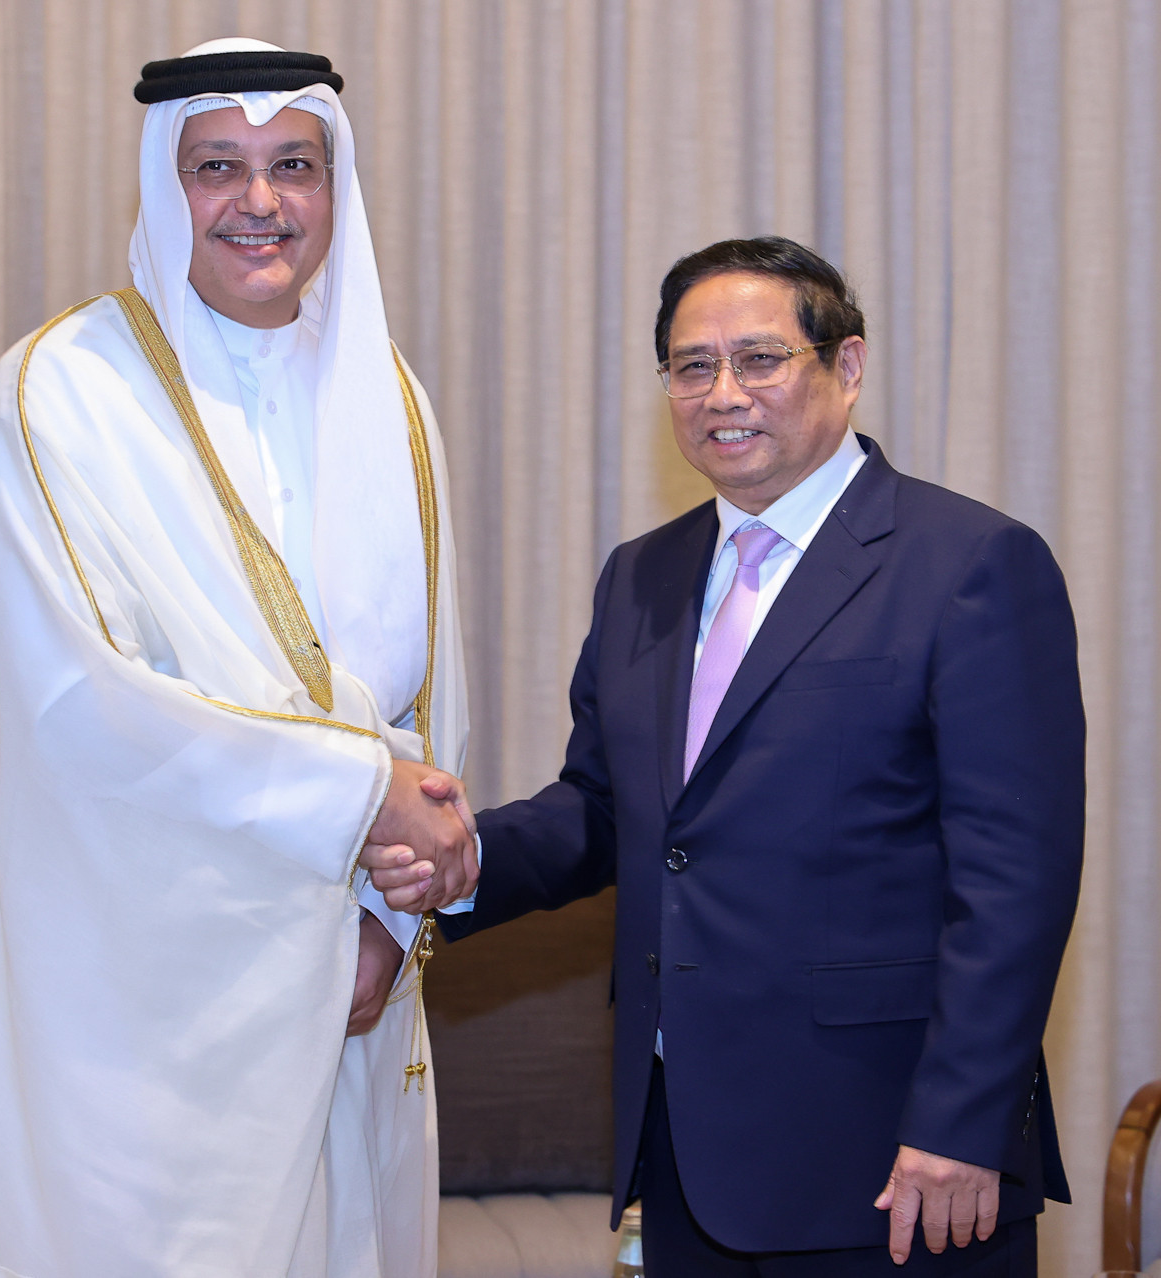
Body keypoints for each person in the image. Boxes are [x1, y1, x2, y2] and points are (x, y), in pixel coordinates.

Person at [0, 37, 478, 1278]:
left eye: (293, 165)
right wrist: (361, 796)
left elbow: (429, 693)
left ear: (333, 186)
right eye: (218, 167)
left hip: (347, 980)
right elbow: (80, 707)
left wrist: (389, 916)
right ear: (164, 181)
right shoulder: (59, 393)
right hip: (129, 1002)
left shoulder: (390, 398)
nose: (260, 201)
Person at [370, 236, 1084, 1275]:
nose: (722, 394)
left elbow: (1015, 880)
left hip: (893, 1158)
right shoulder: (642, 576)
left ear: (846, 366)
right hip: (686, 1151)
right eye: (692, 366)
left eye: (759, 359)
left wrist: (962, 1124)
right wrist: (458, 859)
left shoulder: (969, 563)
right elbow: (605, 810)